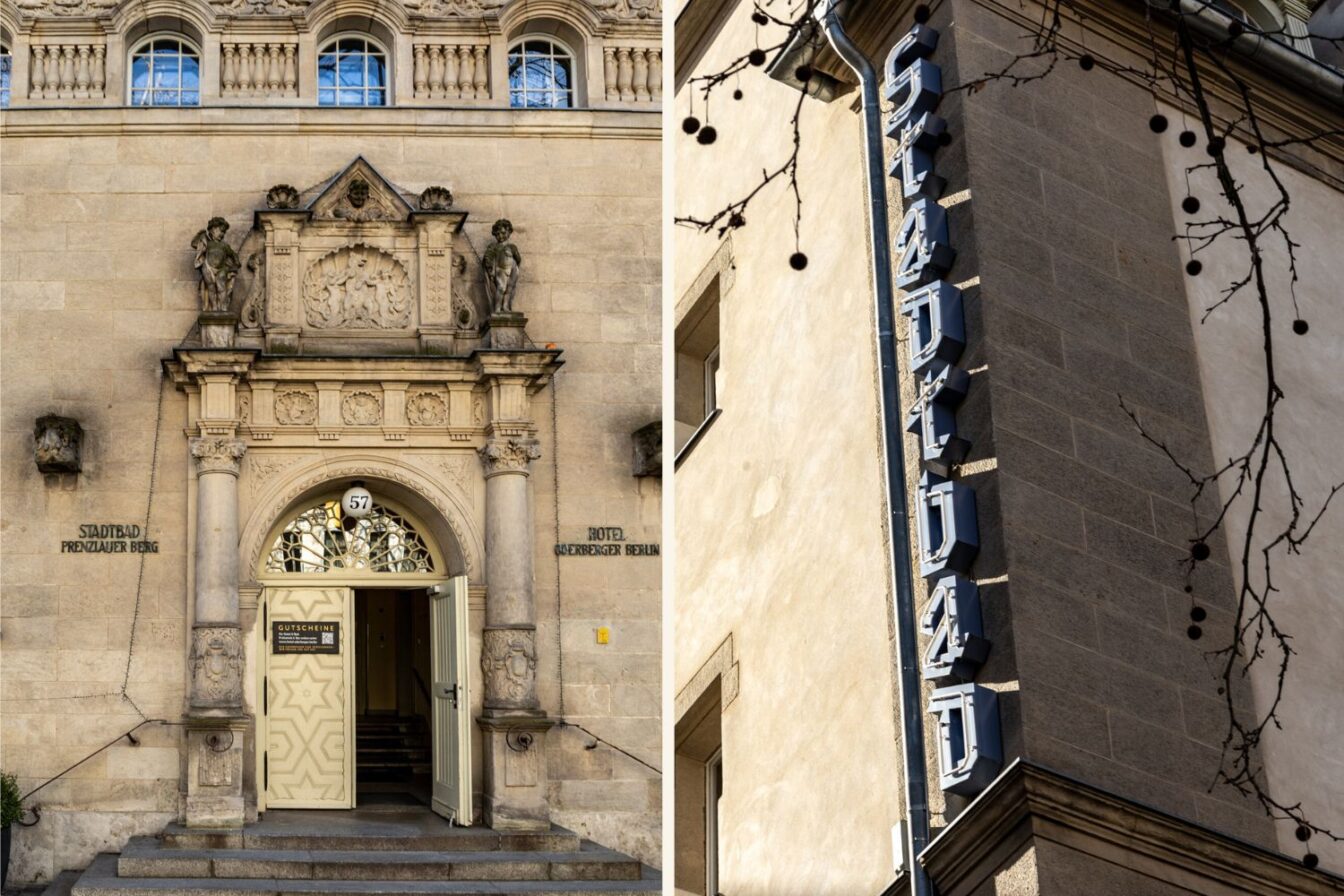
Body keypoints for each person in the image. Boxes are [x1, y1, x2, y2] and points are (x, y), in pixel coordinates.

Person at [482, 218, 522, 314]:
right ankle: (497, 308)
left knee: (509, 288)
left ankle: (505, 306)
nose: (500, 236)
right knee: (501, 288)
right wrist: (490, 268)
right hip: (500, 270)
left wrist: (515, 264)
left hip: (512, 269)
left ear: (509, 232)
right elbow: (488, 257)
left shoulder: (512, 247)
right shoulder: (493, 247)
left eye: (503, 233)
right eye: (498, 234)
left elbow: (518, 259)